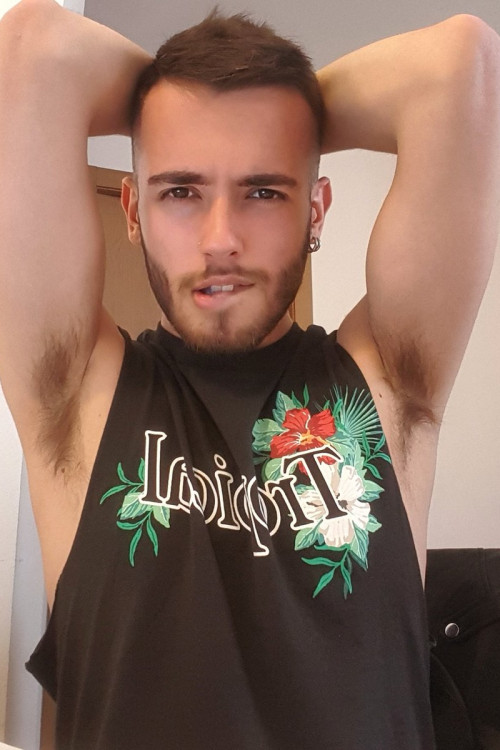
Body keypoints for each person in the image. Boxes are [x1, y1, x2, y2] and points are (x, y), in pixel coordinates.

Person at [0, 1, 499, 747]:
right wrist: (171, 100)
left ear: (316, 210)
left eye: (265, 190)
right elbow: (32, 50)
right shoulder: (77, 396)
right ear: (132, 210)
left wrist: (287, 112)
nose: (221, 238)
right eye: (180, 190)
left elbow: (462, 63)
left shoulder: (389, 383)